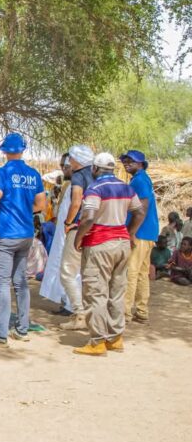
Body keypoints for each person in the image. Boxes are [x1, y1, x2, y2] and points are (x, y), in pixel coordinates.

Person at [0, 133, 45, 347]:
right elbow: (41, 205)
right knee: (21, 282)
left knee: (2, 284)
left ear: (4, 151)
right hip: (26, 235)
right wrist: (23, 210)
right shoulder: (33, 175)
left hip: (6, 235)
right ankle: (22, 329)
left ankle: (0, 334)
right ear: (22, 150)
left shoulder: (2, 174)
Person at [72, 153, 145, 356]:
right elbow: (139, 212)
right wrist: (129, 233)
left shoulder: (95, 189)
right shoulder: (126, 188)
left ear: (95, 169)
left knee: (95, 293)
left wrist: (78, 238)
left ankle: (97, 342)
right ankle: (115, 338)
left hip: (99, 244)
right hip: (122, 243)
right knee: (117, 292)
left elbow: (88, 218)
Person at [120, 150, 160, 324]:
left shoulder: (139, 180)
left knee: (131, 272)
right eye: (125, 160)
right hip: (148, 232)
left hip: (140, 233)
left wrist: (131, 233)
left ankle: (125, 312)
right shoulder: (143, 179)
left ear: (141, 164)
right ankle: (142, 311)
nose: (126, 163)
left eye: (131, 161)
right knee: (142, 273)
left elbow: (142, 209)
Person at [59, 145, 95, 330]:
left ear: (77, 160)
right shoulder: (96, 174)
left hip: (79, 227)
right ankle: (92, 315)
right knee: (88, 274)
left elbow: (76, 201)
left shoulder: (78, 175)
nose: (69, 162)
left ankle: (79, 314)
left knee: (67, 272)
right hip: (96, 228)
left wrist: (68, 222)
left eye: (71, 158)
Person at [41, 154, 75, 314]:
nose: (62, 169)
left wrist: (68, 226)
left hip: (69, 232)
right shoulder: (70, 185)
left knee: (70, 268)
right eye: (62, 166)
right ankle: (65, 301)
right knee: (61, 265)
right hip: (62, 232)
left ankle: (71, 305)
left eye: (65, 166)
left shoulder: (77, 186)